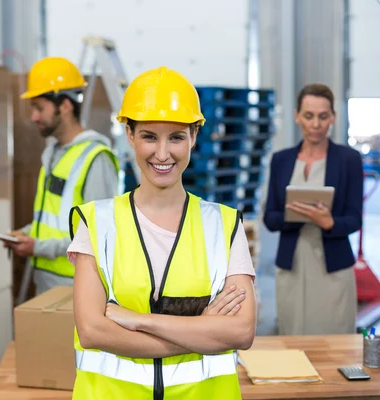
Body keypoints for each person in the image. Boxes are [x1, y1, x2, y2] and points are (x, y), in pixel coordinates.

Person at [67, 66, 256, 399]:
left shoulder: (224, 226)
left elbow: (240, 331)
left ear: (194, 137)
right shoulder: (96, 223)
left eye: (177, 137)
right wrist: (202, 327)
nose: (163, 153)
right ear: (130, 135)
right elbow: (93, 331)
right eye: (149, 136)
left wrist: (140, 321)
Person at [5, 56, 119, 295]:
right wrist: (27, 234)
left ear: (65, 106)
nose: (34, 116)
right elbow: (53, 219)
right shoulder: (53, 154)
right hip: (46, 278)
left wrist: (38, 246)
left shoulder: (95, 158)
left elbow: (97, 234)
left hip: (76, 283)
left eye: (39, 107)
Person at [263, 83, 364, 335]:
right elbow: (269, 218)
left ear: (333, 117)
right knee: (292, 335)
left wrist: (329, 222)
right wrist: (295, 214)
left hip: (332, 267)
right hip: (292, 265)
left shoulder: (348, 160)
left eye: (323, 116)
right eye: (309, 116)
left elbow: (354, 218)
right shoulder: (281, 160)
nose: (316, 124)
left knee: (336, 340)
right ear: (297, 116)